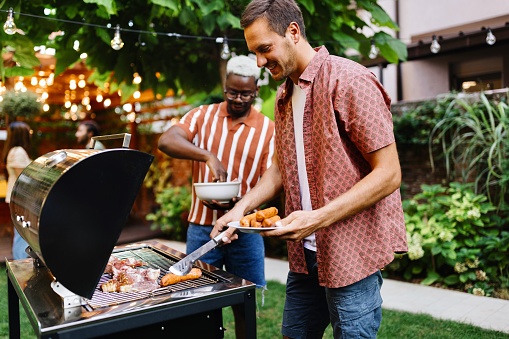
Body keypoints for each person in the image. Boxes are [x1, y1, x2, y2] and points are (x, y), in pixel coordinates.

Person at [212, 1, 408, 338]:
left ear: (292, 32)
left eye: (265, 49)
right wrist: (240, 209)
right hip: (304, 256)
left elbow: (389, 174)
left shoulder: (349, 79)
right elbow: (279, 169)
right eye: (255, 52)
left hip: (351, 255)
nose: (259, 62)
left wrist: (315, 219)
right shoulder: (283, 96)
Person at [158, 55, 276, 338]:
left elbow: (270, 180)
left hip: (243, 231)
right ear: (225, 88)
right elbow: (166, 140)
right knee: (197, 302)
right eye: (232, 92)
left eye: (245, 93)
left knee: (243, 301)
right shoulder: (202, 116)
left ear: (256, 91)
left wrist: (239, 205)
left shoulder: (268, 129)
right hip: (202, 228)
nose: (238, 99)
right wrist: (207, 155)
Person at [1, 121, 33, 260]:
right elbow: (24, 177)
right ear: (22, 134)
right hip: (20, 198)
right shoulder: (19, 151)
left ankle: (19, 263)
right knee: (22, 234)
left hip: (16, 197)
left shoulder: (14, 150)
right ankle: (20, 266)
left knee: (20, 233)